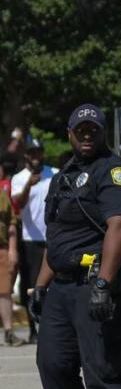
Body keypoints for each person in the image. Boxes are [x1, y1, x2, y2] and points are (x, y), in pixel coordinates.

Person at [30, 103, 121, 389]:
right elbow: (57, 239)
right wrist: (40, 285)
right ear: (69, 133)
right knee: (53, 364)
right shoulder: (66, 175)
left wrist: (103, 284)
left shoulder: (114, 171)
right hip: (62, 286)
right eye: (81, 130)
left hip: (95, 283)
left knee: (104, 370)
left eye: (93, 129)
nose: (87, 135)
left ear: (102, 132)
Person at [12, 136, 57, 344]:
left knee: (53, 282)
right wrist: (29, 186)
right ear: (26, 155)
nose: (35, 157)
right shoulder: (19, 178)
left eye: (38, 152)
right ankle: (32, 328)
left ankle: (52, 326)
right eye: (31, 153)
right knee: (30, 284)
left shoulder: (54, 174)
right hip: (29, 239)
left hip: (51, 237)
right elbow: (18, 204)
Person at [0, 180, 23, 346]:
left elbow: (12, 223)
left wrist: (12, 249)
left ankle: (8, 332)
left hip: (1, 248)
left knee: (4, 291)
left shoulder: (1, 195)